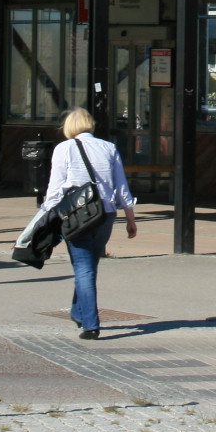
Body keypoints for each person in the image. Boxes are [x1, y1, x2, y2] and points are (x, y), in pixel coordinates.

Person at [40, 108, 137, 339]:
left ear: (69, 126)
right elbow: (121, 187)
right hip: (106, 213)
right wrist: (130, 219)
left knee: (83, 268)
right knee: (88, 266)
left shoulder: (63, 149)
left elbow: (55, 190)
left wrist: (43, 217)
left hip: (77, 215)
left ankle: (91, 324)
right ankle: (78, 311)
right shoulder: (108, 147)